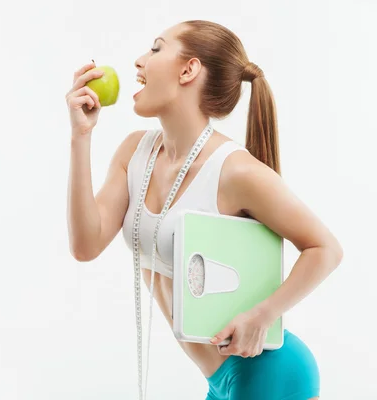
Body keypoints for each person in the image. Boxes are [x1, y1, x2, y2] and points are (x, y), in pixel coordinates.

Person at [66, 20, 343, 400]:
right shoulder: (135, 152)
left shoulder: (235, 171)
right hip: (219, 381)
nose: (139, 61)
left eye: (156, 48)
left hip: (267, 374)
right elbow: (86, 245)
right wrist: (81, 136)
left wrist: (263, 315)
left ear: (188, 69)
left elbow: (325, 248)